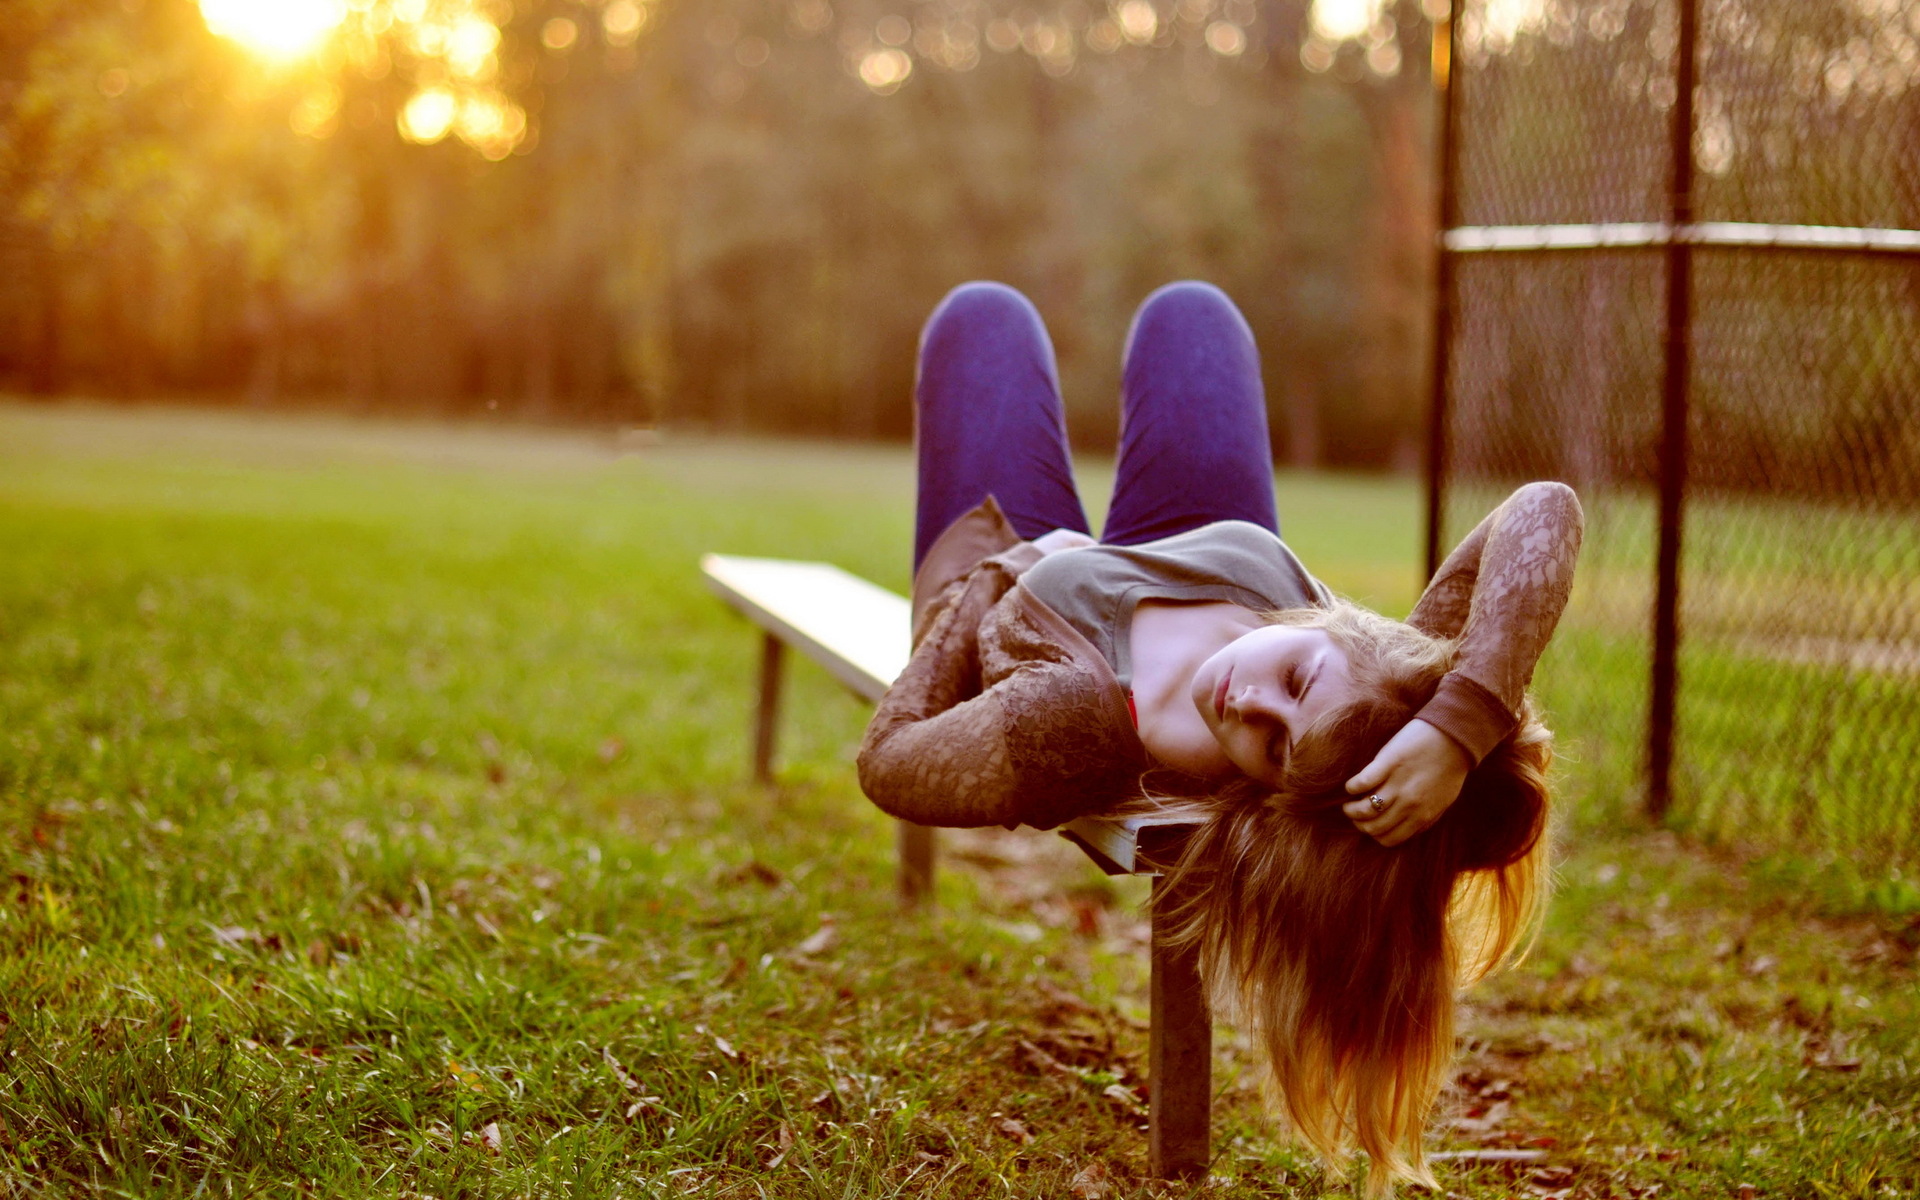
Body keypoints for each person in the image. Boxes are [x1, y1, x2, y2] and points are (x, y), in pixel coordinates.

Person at [856, 281, 1584, 1192]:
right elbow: (1542, 510)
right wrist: (1462, 721)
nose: (1245, 704)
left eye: (1273, 747)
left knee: (982, 318)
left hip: (1009, 586)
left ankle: (1013, 569)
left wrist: (973, 599)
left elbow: (888, 762)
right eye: (1295, 679)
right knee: (1192, 316)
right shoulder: (1371, 682)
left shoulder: (1072, 721)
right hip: (1186, 554)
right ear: (1350, 635)